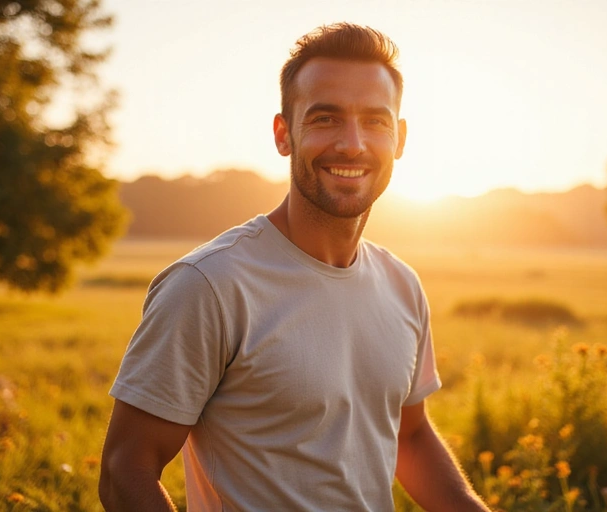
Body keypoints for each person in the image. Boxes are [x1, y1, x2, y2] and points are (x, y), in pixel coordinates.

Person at [99, 22, 489, 512]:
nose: (352, 144)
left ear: (400, 138)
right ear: (284, 134)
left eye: (375, 121)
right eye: (325, 119)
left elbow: (409, 439)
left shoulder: (401, 285)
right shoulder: (210, 285)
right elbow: (124, 471)